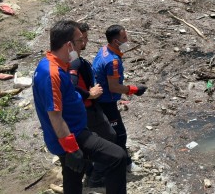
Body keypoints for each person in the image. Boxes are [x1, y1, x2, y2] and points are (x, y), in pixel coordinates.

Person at [32, 20, 127, 194]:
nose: (82, 45)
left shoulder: (52, 64)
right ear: (69, 45)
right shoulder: (52, 73)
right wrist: (72, 148)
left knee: (74, 177)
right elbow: (55, 116)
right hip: (72, 136)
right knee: (118, 157)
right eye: (79, 41)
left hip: (71, 132)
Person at [93, 24, 147, 171]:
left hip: (99, 98)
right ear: (116, 41)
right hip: (106, 101)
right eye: (124, 37)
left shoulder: (103, 50)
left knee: (106, 131)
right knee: (119, 134)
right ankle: (125, 164)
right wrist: (134, 89)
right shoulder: (113, 61)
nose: (127, 39)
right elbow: (114, 86)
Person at [69, 22, 116, 187]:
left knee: (90, 140)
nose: (85, 42)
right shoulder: (74, 62)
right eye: (83, 39)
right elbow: (71, 85)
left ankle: (90, 171)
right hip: (87, 107)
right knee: (109, 136)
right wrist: (90, 93)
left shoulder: (73, 60)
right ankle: (96, 176)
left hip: (86, 106)